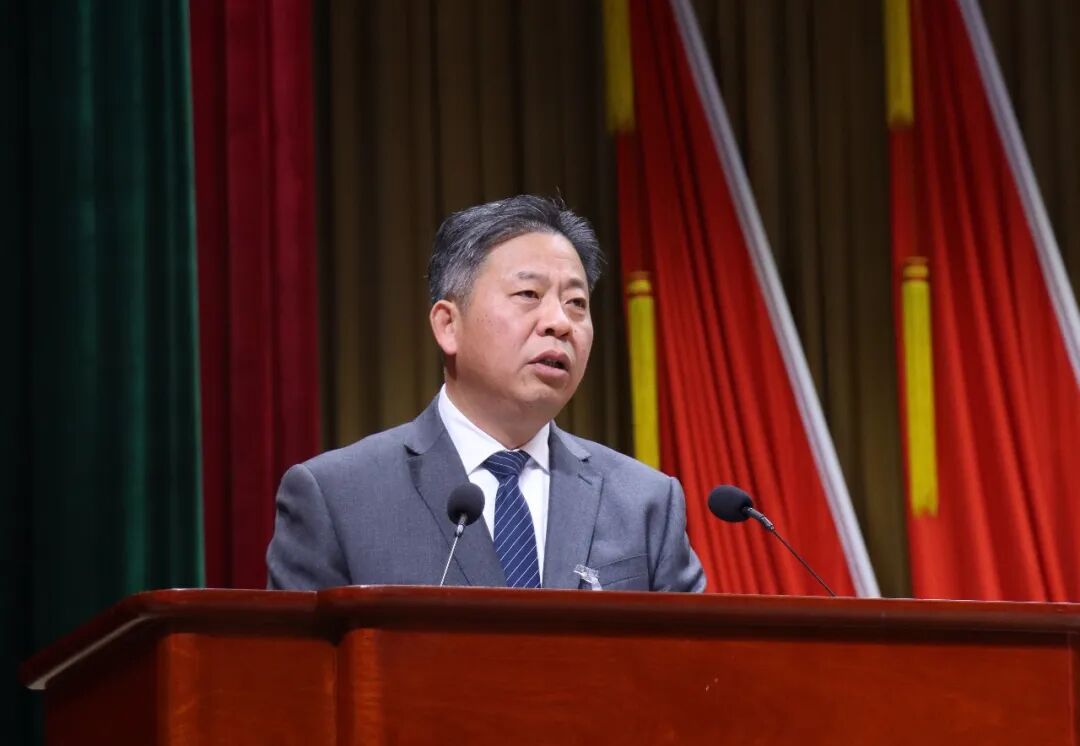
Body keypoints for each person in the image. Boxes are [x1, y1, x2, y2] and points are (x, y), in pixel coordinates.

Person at [266, 195, 705, 592]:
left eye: (577, 303)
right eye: (529, 294)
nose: (559, 322)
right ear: (448, 325)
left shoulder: (645, 501)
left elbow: (694, 654)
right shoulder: (338, 497)